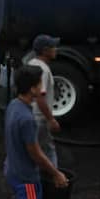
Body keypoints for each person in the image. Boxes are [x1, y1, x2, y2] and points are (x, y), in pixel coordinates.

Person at [6, 65, 68, 199]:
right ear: (32, 88)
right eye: (40, 84)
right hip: (26, 178)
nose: (42, 88)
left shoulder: (14, 105)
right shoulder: (26, 118)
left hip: (13, 169)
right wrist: (56, 173)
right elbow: (35, 153)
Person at [28, 34, 61, 167]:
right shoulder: (44, 70)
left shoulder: (31, 63)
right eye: (53, 47)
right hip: (39, 118)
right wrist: (50, 119)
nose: (56, 49)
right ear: (45, 50)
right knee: (48, 150)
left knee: (35, 149)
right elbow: (40, 97)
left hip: (30, 114)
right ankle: (55, 176)